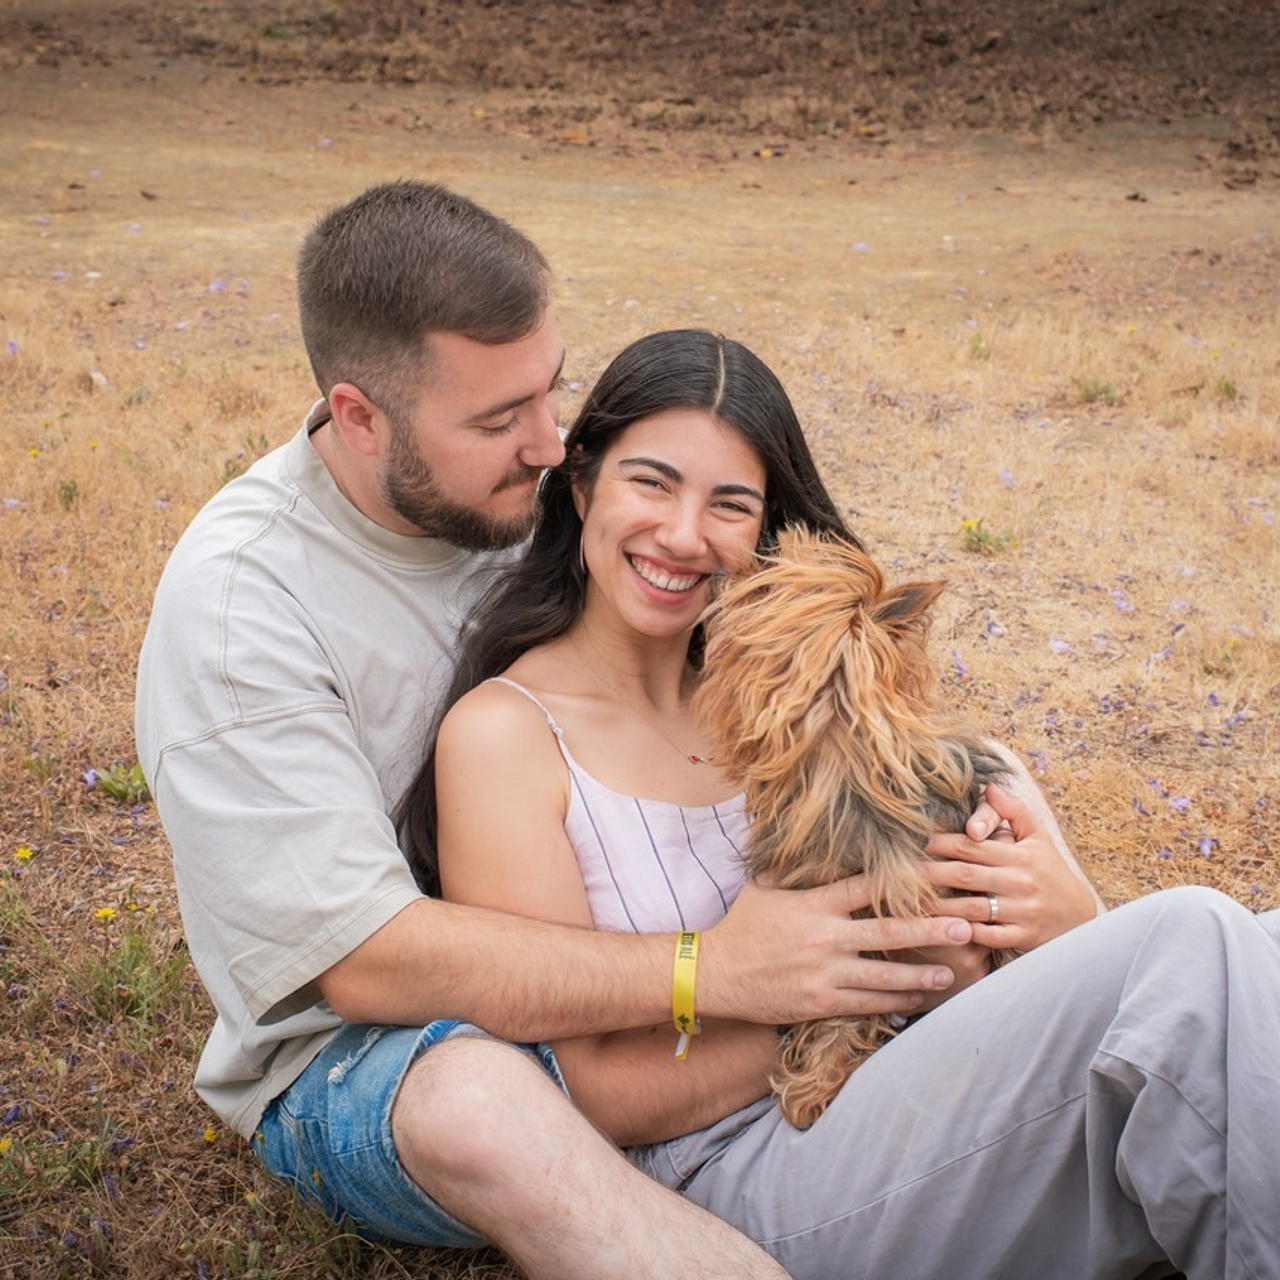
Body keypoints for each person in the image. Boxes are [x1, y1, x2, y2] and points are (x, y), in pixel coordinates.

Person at [135, 180, 1008, 1278]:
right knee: (481, 1096)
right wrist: (711, 973)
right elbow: (365, 963)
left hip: (638, 983)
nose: (550, 444)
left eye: (550, 393)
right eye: (501, 420)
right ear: (360, 417)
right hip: (374, 1050)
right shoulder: (243, 607)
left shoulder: (546, 493)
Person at [408, 329, 1280, 1277]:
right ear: (582, 487)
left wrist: (1066, 913)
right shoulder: (506, 736)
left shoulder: (802, 684)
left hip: (910, 1086)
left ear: (767, 530)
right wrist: (849, 988)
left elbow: (953, 842)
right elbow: (589, 1093)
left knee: (1253, 950)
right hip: (731, 1178)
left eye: (730, 504)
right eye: (650, 483)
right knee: (1195, 946)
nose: (685, 535)